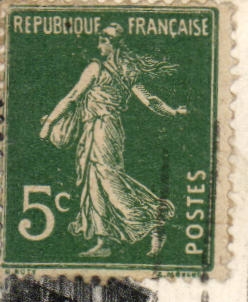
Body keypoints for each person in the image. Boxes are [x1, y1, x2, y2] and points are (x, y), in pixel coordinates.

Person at [38, 24, 187, 258]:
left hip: (102, 128)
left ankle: (153, 221)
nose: (99, 46)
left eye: (102, 41)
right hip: (101, 129)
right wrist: (173, 112)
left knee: (108, 180)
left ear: (111, 43)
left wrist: (49, 123)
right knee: (94, 182)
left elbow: (73, 96)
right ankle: (103, 241)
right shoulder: (128, 71)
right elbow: (150, 100)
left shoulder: (96, 68)